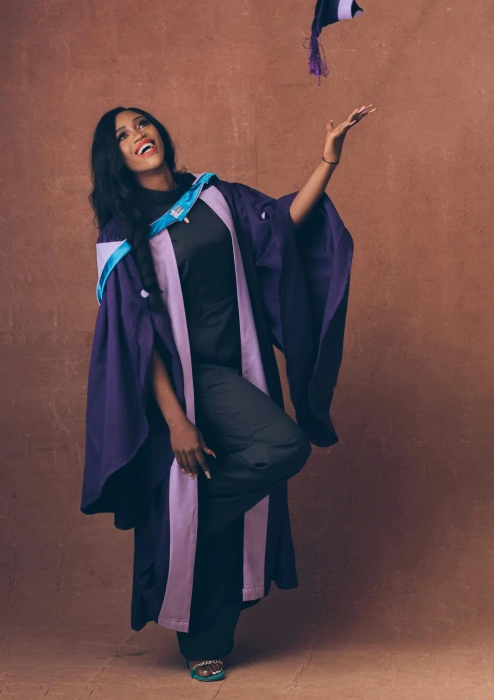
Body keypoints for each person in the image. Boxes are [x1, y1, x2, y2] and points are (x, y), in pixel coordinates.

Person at [81, 103, 374, 681]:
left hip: (241, 364)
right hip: (192, 381)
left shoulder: (215, 195)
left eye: (142, 124)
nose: (138, 135)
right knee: (283, 446)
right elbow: (139, 341)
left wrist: (326, 161)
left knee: (222, 502)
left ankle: (204, 618)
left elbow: (281, 225)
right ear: (113, 158)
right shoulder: (122, 232)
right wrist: (176, 421)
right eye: (122, 135)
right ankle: (201, 629)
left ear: (160, 132)